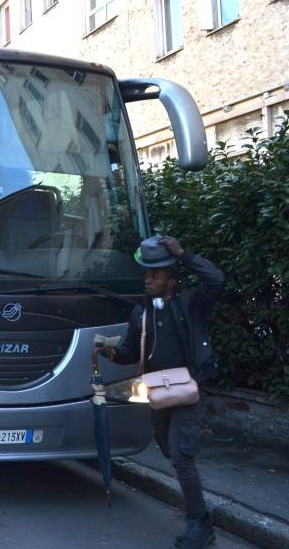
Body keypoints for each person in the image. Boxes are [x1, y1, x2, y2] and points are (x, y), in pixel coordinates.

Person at [100, 235, 224, 549]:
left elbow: (216, 282)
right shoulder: (141, 314)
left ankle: (199, 522)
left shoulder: (189, 304)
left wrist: (183, 253)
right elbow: (129, 352)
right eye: (146, 274)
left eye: (155, 276)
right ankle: (199, 511)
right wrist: (106, 350)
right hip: (157, 393)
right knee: (171, 451)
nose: (148, 280)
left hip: (187, 390)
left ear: (172, 280)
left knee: (181, 455)